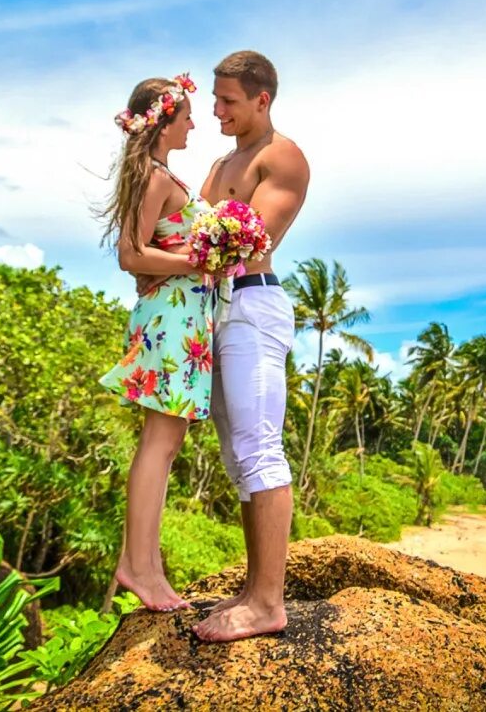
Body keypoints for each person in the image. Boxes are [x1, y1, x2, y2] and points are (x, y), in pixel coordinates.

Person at [194, 50, 310, 642]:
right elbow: (193, 231)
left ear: (261, 99)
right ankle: (253, 588)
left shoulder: (280, 156)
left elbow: (246, 239)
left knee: (260, 448)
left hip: (253, 304)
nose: (216, 111)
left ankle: (268, 602)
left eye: (228, 101)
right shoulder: (220, 164)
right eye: (214, 99)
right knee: (239, 458)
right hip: (216, 312)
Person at [98, 74, 211, 612]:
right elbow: (130, 253)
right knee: (158, 445)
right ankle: (137, 566)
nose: (194, 123)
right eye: (186, 115)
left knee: (166, 444)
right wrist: (198, 261)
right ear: (164, 119)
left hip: (180, 319)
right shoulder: (154, 175)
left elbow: (145, 252)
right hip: (169, 318)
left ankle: (148, 566)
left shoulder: (162, 173)